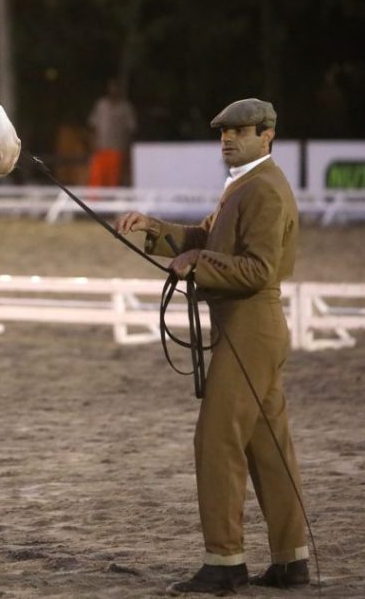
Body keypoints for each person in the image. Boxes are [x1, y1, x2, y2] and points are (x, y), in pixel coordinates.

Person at [115, 98, 310, 595]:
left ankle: (225, 561)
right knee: (267, 448)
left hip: (250, 326)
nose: (228, 139)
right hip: (246, 327)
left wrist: (199, 262)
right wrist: (154, 229)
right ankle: (291, 561)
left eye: (239, 132)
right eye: (224, 133)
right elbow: (206, 237)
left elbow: (258, 269)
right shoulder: (244, 185)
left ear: (267, 135)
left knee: (217, 441)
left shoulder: (263, 189)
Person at [86, 78, 136, 186]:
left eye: (116, 88)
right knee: (96, 178)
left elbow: (130, 129)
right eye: (111, 87)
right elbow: (93, 125)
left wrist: (127, 148)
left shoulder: (125, 107)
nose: (113, 90)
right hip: (100, 148)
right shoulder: (101, 105)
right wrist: (92, 142)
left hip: (117, 149)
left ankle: (111, 201)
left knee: (113, 179)